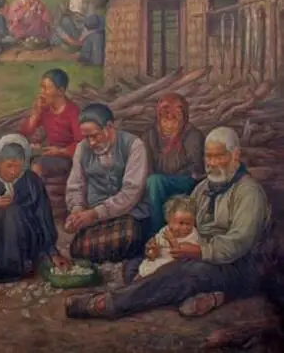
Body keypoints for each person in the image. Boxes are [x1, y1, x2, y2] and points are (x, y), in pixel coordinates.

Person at [65, 127, 272, 320]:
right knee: (136, 266)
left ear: (235, 155)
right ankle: (208, 296)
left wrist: (199, 251)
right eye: (208, 157)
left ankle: (108, 303)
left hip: (237, 266)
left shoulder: (248, 192)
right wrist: (160, 246)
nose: (211, 163)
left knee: (187, 272)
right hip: (202, 257)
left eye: (218, 156)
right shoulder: (202, 189)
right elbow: (188, 227)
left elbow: (240, 242)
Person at [0, 135, 70, 283]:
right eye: (9, 166)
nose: (13, 172)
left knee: (14, 213)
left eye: (18, 166)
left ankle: (17, 268)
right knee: (4, 214)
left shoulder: (31, 181)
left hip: (22, 241)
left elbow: (43, 219)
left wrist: (53, 254)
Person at [64, 103, 149, 263]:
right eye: (87, 137)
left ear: (109, 127)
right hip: (94, 218)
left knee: (130, 236)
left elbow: (131, 192)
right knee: (77, 249)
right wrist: (76, 211)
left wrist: (97, 212)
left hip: (129, 213)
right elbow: (75, 186)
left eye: (95, 136)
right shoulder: (81, 149)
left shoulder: (134, 145)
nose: (91, 143)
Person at [143, 93, 205, 237]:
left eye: (174, 119)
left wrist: (168, 178)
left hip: (185, 181)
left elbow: (196, 168)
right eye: (165, 119)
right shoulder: (150, 135)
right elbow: (147, 164)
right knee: (153, 182)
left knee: (155, 181)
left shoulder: (192, 135)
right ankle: (157, 234)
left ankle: (158, 233)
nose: (169, 124)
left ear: (183, 119)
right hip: (157, 182)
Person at [19, 69, 83, 179]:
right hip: (49, 153)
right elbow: (25, 132)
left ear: (60, 91)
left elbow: (81, 144)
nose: (41, 92)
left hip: (67, 158)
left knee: (37, 167)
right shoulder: (45, 109)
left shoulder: (72, 112)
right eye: (41, 87)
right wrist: (35, 114)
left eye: (46, 88)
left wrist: (60, 151)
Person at [137, 195, 199, 279]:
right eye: (180, 223)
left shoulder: (193, 235)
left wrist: (171, 239)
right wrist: (153, 251)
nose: (184, 227)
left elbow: (180, 253)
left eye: (188, 224)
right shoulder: (165, 230)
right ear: (169, 220)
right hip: (160, 260)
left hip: (175, 266)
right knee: (141, 269)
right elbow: (157, 249)